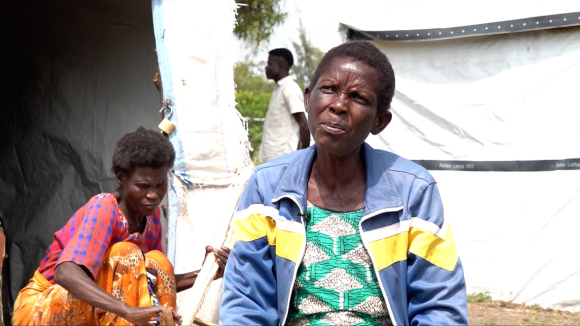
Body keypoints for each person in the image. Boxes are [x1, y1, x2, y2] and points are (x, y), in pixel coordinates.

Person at [220, 41, 468, 326]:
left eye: (358, 97)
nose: (337, 105)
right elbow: (246, 300)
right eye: (328, 89)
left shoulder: (414, 192)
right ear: (308, 99)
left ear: (380, 122)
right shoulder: (267, 187)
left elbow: (440, 306)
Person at [12, 127, 230, 326]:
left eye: (160, 185)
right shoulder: (105, 207)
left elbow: (150, 279)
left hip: (97, 306)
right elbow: (65, 273)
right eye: (143, 186)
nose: (153, 195)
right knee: (125, 253)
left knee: (158, 262)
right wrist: (127, 310)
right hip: (41, 308)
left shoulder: (151, 217)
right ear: (121, 178)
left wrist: (205, 273)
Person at [259, 48, 310, 163]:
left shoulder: (290, 88)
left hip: (283, 158)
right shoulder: (279, 89)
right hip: (271, 156)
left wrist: (304, 155)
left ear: (280, 66)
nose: (266, 68)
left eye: (269, 64)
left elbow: (303, 124)